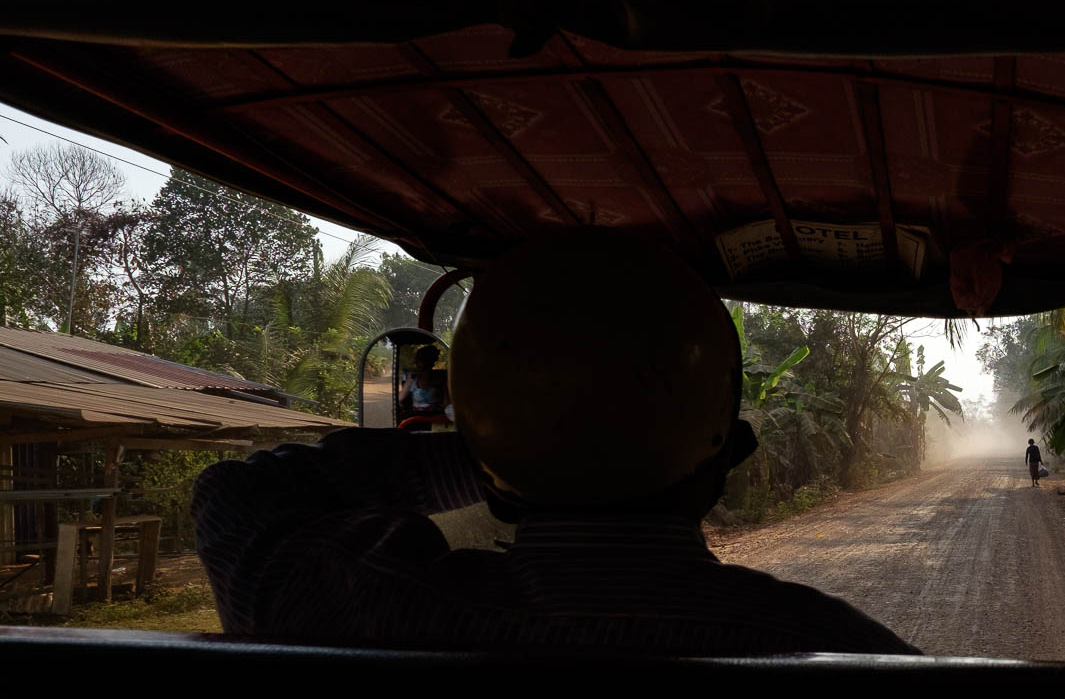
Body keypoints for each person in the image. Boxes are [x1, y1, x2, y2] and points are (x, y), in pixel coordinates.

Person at [193, 229, 918, 654]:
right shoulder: (825, 642)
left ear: (479, 446)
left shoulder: (365, 609)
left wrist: (492, 448)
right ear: (726, 452)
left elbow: (232, 495)